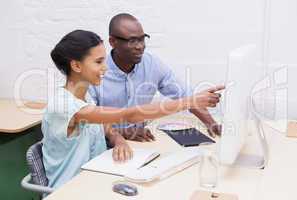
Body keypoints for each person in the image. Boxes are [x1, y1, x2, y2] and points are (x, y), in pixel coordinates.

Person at [42, 30, 223, 189]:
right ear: (76, 66)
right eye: (98, 62)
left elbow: (101, 124)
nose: (105, 67)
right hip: (71, 190)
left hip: (96, 178)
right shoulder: (64, 106)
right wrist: (190, 101)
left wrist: (117, 139)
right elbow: (128, 115)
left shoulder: (85, 97)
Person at [89, 13, 222, 142]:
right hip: (106, 145)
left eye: (142, 39)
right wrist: (122, 133)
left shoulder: (152, 64)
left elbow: (185, 96)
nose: (140, 46)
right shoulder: (95, 72)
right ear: (113, 41)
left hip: (141, 141)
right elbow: (88, 120)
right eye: (132, 41)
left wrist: (212, 124)